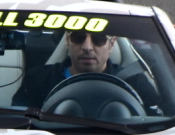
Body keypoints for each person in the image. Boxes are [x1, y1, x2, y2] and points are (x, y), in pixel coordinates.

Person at [12, 29, 159, 110]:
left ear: (111, 44)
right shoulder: (38, 79)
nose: (87, 47)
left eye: (98, 39)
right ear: (67, 41)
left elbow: (158, 123)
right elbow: (17, 124)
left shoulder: (135, 82)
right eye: (78, 37)